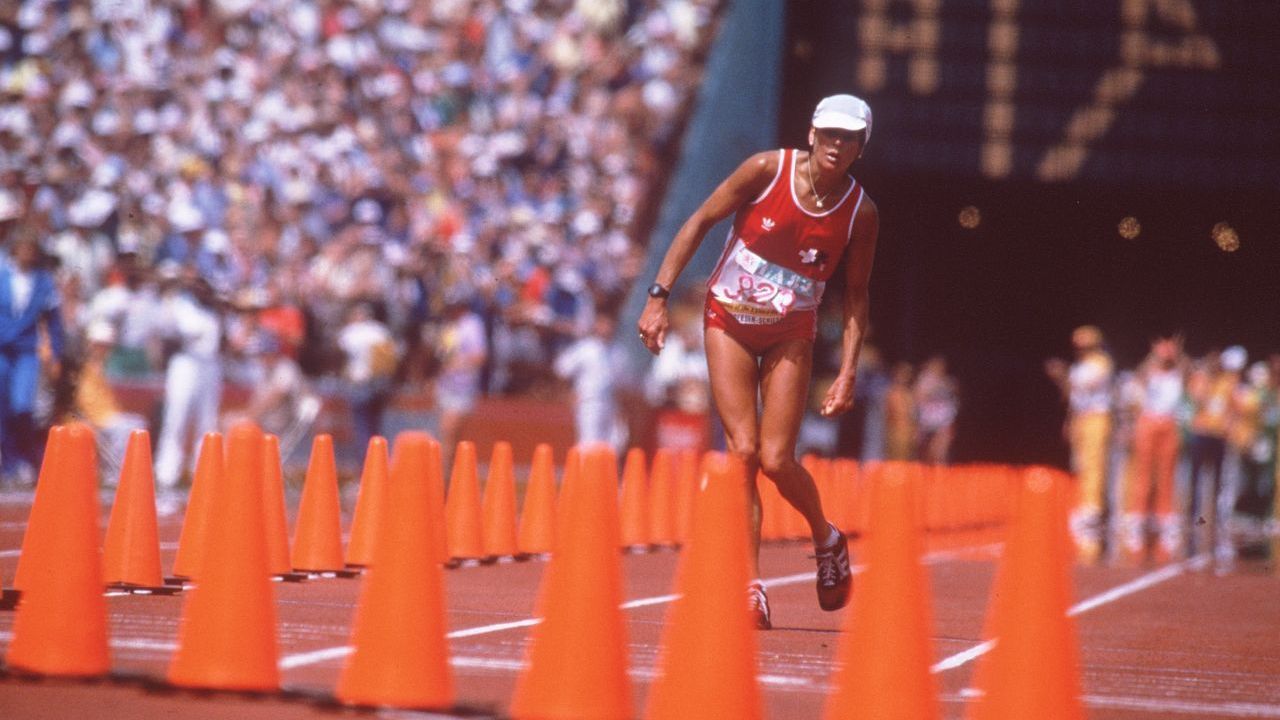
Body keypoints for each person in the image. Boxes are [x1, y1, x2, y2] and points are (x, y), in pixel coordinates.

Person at [637, 94, 879, 629]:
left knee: (776, 459)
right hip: (728, 320)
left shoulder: (860, 213)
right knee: (742, 452)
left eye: (850, 139)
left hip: (792, 332)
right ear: (812, 135)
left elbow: (857, 297)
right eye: (831, 135)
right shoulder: (767, 169)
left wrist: (846, 371)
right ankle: (750, 587)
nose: (838, 146)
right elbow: (700, 219)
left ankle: (826, 536)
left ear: (862, 147)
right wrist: (659, 296)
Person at [0, 231, 67, 486]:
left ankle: (27, 459)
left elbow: (54, 322)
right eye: (23, 248)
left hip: (26, 351)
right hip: (2, 349)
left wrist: (56, 356)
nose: (27, 254)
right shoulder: (2, 275)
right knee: (2, 406)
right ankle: (9, 463)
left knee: (22, 405)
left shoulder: (43, 282)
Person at [1045, 324, 1114, 554]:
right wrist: (1069, 419)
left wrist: (1062, 374)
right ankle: (1082, 506)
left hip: (1096, 417)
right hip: (1081, 418)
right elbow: (1073, 396)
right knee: (1079, 464)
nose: (1081, 350)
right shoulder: (1080, 366)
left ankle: (1092, 510)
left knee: (1094, 464)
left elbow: (1082, 385)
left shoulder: (1101, 363)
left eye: (1085, 346)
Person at [1123, 337, 1186, 558]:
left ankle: (1166, 525)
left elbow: (1187, 367)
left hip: (1169, 424)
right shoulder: (1147, 372)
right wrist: (1155, 355)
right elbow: (1137, 382)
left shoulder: (1180, 373)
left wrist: (1175, 352)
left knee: (1166, 477)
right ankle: (1136, 525)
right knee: (1143, 476)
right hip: (1148, 422)